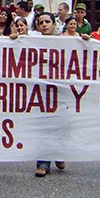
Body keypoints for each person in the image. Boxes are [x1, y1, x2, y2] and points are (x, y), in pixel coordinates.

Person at [34, 12, 66, 177]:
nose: (45, 25)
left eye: (48, 22)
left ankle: (59, 154)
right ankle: (43, 163)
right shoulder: (31, 42)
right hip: (41, 92)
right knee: (44, 126)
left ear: (54, 24)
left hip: (61, 91)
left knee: (60, 125)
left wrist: (85, 41)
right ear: (38, 26)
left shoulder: (67, 42)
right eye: (41, 22)